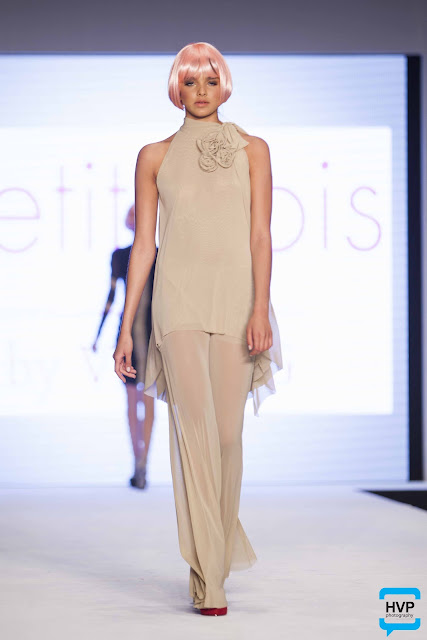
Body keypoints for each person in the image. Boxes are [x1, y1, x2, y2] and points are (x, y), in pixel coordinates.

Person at [113, 42, 282, 616]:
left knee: (228, 437)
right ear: (176, 89)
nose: (201, 91)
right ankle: (211, 577)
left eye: (210, 80)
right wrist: (126, 328)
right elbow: (144, 246)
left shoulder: (253, 150)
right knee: (195, 434)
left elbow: (261, 236)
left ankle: (211, 559)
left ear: (224, 85)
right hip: (177, 303)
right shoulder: (154, 156)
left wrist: (260, 309)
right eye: (191, 82)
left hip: (236, 301)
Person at [94, 204, 157, 489]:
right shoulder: (119, 256)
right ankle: (137, 462)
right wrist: (98, 334)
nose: (134, 218)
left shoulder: (160, 254)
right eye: (132, 214)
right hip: (128, 335)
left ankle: (144, 464)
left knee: (149, 400)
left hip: (154, 337)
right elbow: (111, 296)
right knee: (133, 401)